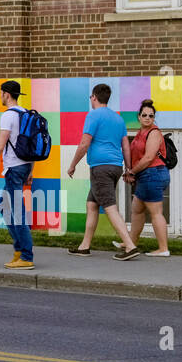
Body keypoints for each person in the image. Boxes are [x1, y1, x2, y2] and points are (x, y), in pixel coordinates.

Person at [66, 83, 139, 259]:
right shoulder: (118, 119)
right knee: (92, 204)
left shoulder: (93, 116)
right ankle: (84, 246)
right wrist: (128, 168)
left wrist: (73, 164)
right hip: (115, 166)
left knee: (109, 207)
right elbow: (125, 146)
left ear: (94, 97)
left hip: (101, 168)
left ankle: (129, 246)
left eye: (90, 97)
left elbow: (85, 143)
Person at [0, 80, 34, 270]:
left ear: (6, 95)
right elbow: (31, 145)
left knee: (17, 214)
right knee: (5, 208)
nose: (0, 96)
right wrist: (31, 170)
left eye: (1, 93)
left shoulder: (8, 116)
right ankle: (19, 250)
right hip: (24, 166)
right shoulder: (26, 113)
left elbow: (0, 145)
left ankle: (26, 256)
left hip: (13, 169)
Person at [121, 99, 171, 256]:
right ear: (139, 117)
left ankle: (163, 249)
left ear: (154, 117)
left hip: (153, 174)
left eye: (151, 115)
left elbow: (149, 157)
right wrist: (131, 170)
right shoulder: (140, 133)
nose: (148, 118)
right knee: (136, 209)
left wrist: (132, 172)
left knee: (156, 212)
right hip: (146, 175)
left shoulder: (154, 133)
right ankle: (131, 243)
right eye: (144, 115)